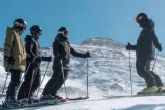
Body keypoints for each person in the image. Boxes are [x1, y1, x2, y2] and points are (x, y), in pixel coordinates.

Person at [41, 27, 90, 99]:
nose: (67, 34)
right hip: (59, 63)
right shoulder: (57, 40)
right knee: (55, 78)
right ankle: (45, 94)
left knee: (62, 80)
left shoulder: (67, 42)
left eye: (67, 33)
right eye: (65, 32)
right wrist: (58, 57)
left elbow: (74, 53)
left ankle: (53, 93)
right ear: (61, 32)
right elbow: (55, 51)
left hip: (66, 64)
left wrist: (84, 55)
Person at [126, 13, 163, 94]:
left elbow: (153, 37)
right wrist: (131, 47)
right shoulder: (147, 28)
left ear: (143, 19)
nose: (139, 23)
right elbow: (140, 45)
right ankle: (159, 85)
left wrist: (157, 45)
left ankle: (151, 86)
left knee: (141, 69)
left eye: (139, 20)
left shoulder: (148, 28)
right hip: (147, 53)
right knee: (147, 70)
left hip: (144, 53)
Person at [17, 25, 52, 100]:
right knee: (28, 82)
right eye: (39, 33)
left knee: (37, 83)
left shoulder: (37, 42)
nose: (40, 35)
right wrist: (32, 56)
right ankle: (21, 98)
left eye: (40, 33)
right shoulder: (30, 39)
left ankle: (29, 96)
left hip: (36, 65)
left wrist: (46, 58)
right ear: (34, 32)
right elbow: (28, 50)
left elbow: (38, 56)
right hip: (30, 63)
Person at [3, 18, 27, 104]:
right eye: (22, 25)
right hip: (14, 62)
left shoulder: (18, 36)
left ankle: (9, 98)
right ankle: (10, 99)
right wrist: (7, 57)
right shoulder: (12, 32)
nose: (23, 28)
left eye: (23, 26)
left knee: (15, 81)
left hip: (19, 63)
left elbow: (21, 53)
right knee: (16, 81)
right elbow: (7, 45)